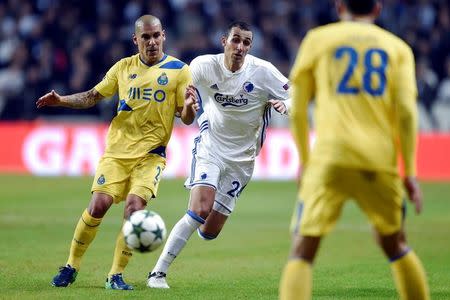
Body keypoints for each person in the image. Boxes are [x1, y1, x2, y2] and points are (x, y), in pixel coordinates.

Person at [279, 1, 430, 299]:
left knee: (303, 248)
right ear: (377, 8)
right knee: (395, 243)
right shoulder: (398, 48)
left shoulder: (318, 39)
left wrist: (306, 162)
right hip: (379, 160)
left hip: (330, 157)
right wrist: (410, 172)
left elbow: (297, 109)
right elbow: (407, 114)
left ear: (339, 7)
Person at [36, 15, 197, 290]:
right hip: (117, 153)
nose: (152, 41)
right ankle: (71, 266)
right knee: (98, 205)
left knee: (135, 210)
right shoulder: (123, 68)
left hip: (151, 155)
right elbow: (92, 96)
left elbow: (186, 116)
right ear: (136, 40)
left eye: (156, 35)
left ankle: (115, 275)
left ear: (164, 35)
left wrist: (191, 106)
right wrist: (61, 100)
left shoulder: (180, 71)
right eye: (145, 37)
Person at [147, 21, 291, 289]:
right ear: (224, 41)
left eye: (246, 42)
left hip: (243, 159)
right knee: (199, 208)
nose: (240, 47)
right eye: (236, 40)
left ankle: (201, 222)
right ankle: (158, 273)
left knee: (209, 231)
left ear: (250, 47)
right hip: (211, 146)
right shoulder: (203, 66)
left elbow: (297, 94)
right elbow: (184, 103)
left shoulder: (262, 72)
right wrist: (191, 110)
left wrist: (287, 104)